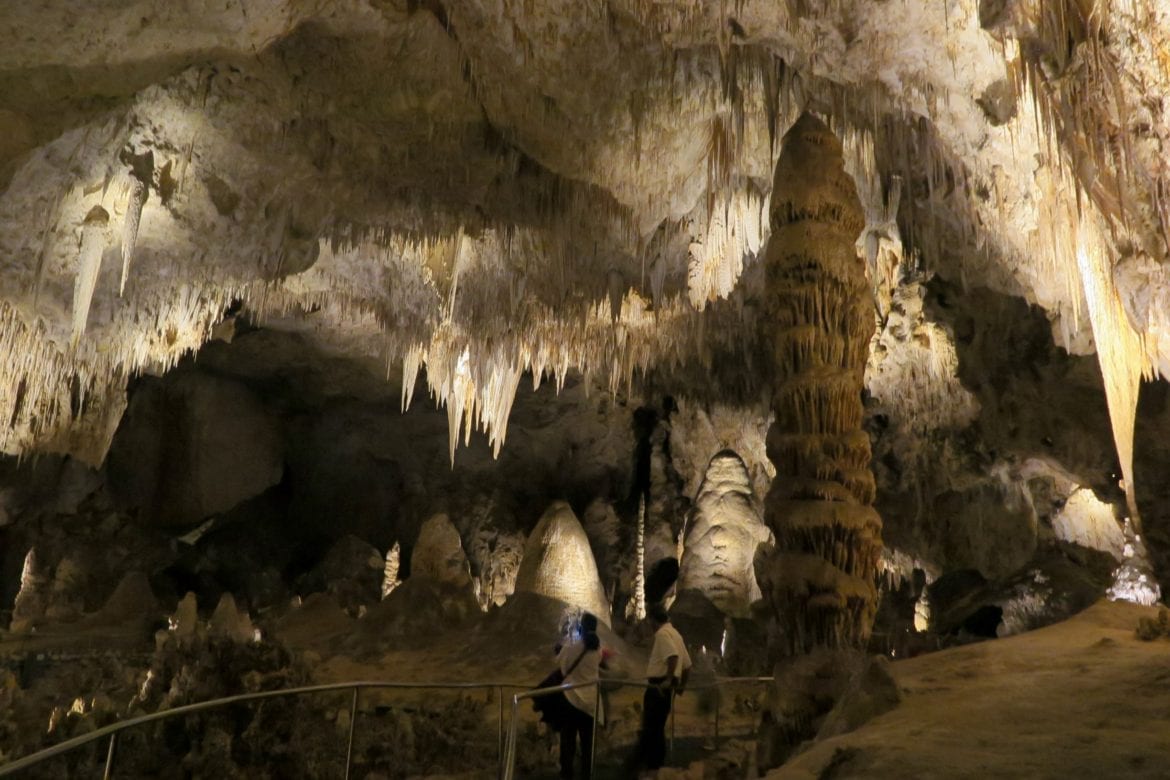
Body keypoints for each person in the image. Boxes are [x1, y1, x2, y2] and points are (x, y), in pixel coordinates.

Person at [638, 605, 692, 771]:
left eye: (649, 621)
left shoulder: (662, 634)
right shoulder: (676, 634)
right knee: (657, 727)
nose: (649, 624)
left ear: (653, 620)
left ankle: (652, 765)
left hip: (658, 685)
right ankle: (655, 765)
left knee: (651, 727)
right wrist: (681, 686)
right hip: (667, 688)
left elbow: (673, 656)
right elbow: (688, 665)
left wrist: (668, 679)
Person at [554, 612, 606, 779]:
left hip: (571, 699)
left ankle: (567, 774)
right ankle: (586, 774)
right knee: (587, 743)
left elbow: (561, 667)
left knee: (568, 741)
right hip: (590, 703)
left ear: (581, 627)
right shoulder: (598, 650)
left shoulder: (572, 647)